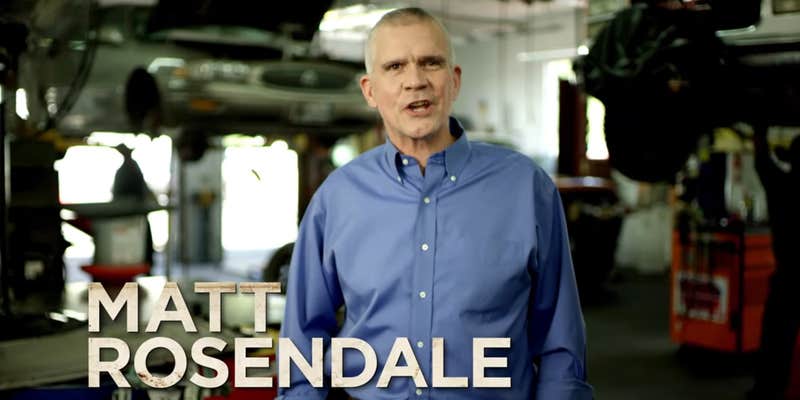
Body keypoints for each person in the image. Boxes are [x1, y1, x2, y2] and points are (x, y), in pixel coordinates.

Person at [278, 8, 592, 400]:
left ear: (454, 80)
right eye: (395, 66)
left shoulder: (526, 189)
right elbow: (302, 343)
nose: (415, 81)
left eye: (431, 63)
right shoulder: (337, 198)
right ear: (370, 90)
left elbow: (560, 341)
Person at [749, 129, 800, 399]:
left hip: (787, 279)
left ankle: (766, 390)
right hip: (789, 278)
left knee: (775, 340)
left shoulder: (781, 186)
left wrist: (760, 127)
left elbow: (761, 161)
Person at [112, 144, 156, 266]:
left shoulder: (128, 169)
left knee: (137, 242)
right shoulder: (131, 168)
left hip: (133, 214)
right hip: (132, 214)